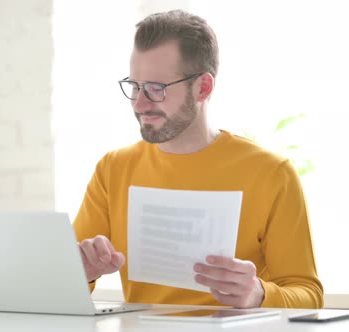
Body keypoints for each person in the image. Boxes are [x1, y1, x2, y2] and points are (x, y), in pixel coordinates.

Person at [73, 9, 323, 309]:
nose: (139, 103)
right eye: (135, 86)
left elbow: (308, 295)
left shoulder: (271, 173)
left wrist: (258, 294)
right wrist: (81, 273)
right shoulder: (113, 169)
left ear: (203, 87)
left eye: (156, 89)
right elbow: (58, 285)